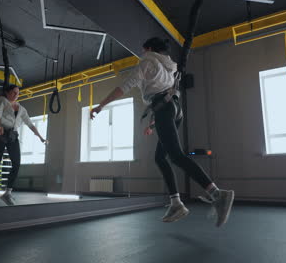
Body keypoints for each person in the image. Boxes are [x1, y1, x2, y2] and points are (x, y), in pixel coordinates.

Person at [90, 37, 234, 227]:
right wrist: (153, 123)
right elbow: (162, 94)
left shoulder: (147, 62)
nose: (142, 53)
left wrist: (100, 106)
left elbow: (123, 87)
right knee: (160, 157)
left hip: (165, 110)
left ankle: (217, 194)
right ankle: (176, 203)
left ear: (148, 49)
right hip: (173, 110)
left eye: (143, 50)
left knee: (177, 157)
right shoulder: (169, 67)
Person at [0, 47, 47, 206]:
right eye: (13, 92)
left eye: (18, 93)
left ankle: (7, 193)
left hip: (12, 136)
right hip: (1, 133)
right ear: (7, 93)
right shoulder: (1, 101)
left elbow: (30, 124)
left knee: (16, 164)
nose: (16, 95)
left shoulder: (21, 109)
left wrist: (40, 137)